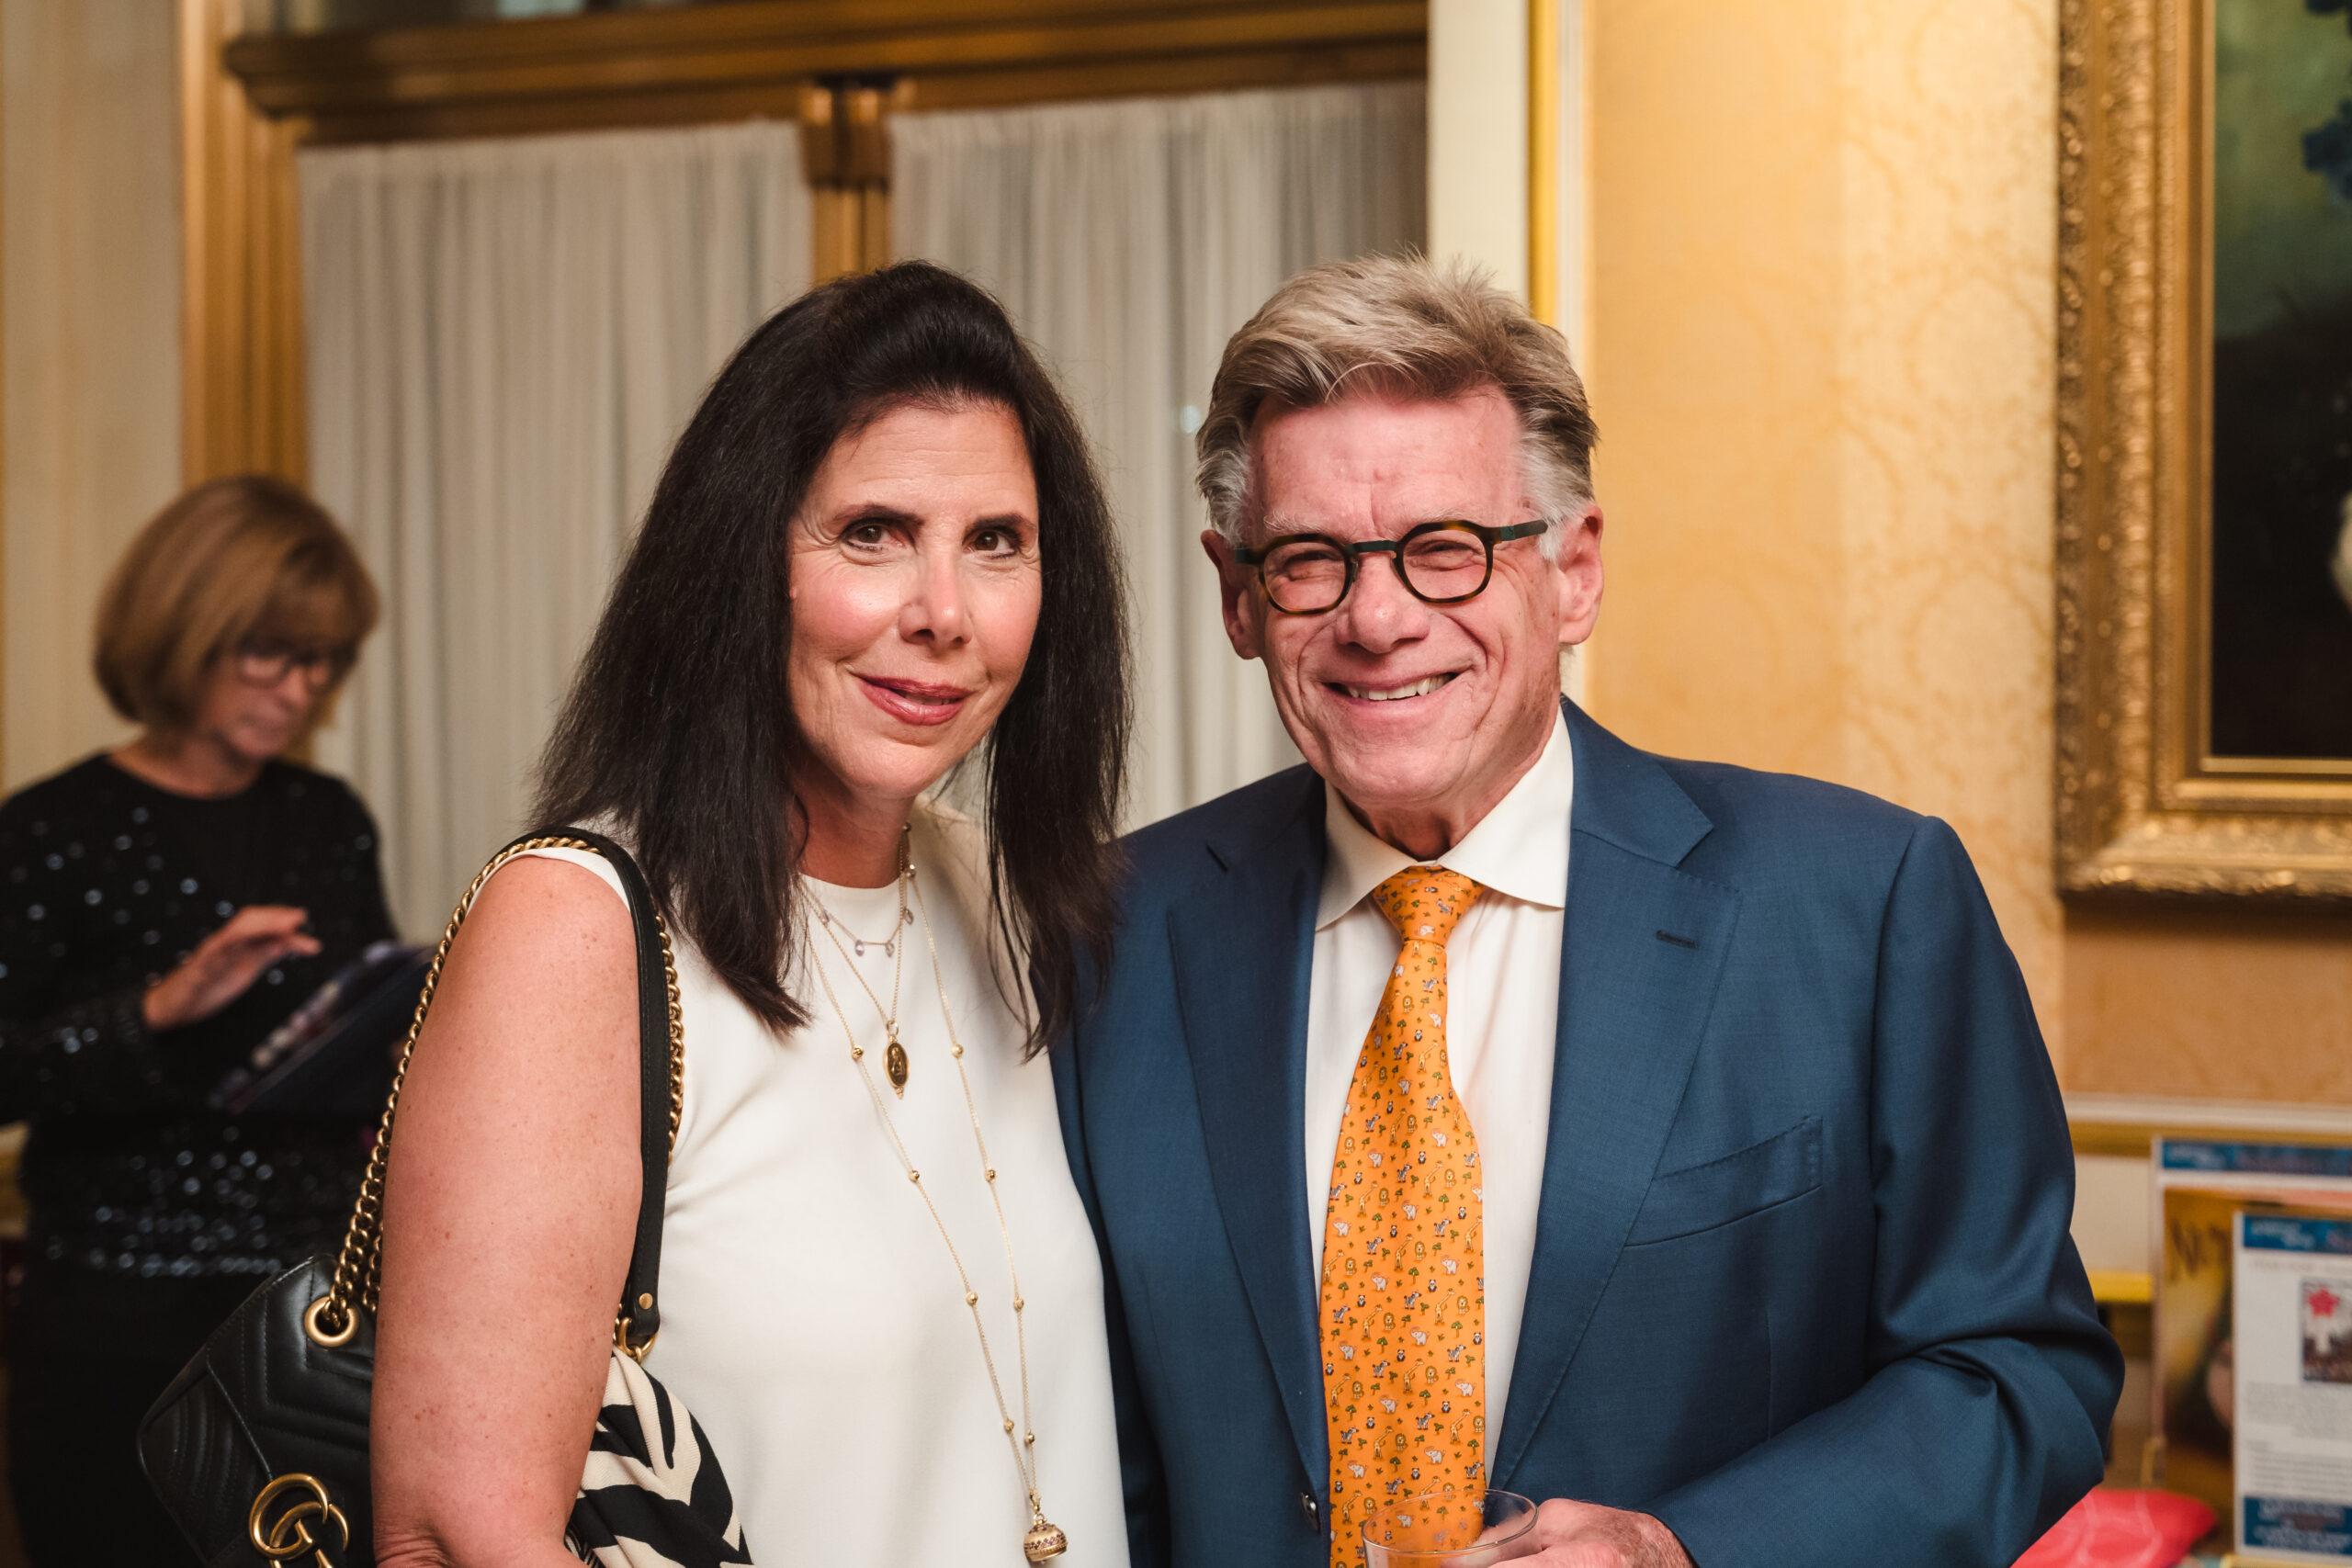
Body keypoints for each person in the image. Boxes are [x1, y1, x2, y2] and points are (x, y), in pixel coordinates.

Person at [1051, 257, 2123, 1568]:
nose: (1378, 619)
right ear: (1237, 595)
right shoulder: (1111, 936)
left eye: (1446, 550)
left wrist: (1682, 1548)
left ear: (1573, 572)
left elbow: (2016, 1368)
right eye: (1312, 561)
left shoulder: (1860, 906)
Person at [371, 263, 1135, 1567]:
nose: (943, 614)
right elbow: (453, 1534)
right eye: (872, 532)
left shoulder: (1002, 897)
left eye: (996, 541)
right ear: (743, 560)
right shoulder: (575, 927)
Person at [0, 475, 392, 1566]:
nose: (298, 689)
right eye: (269, 652)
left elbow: (363, 1038)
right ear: (185, 630)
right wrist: (156, 1011)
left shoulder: (326, 819)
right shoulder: (52, 830)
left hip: (305, 1312)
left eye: (322, 661)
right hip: (112, 1320)